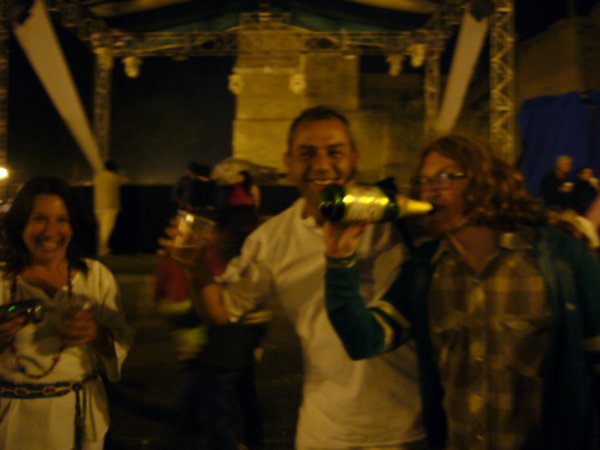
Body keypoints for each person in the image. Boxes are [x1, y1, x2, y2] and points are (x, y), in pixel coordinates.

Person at [161, 106, 426, 449]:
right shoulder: (272, 239)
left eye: (335, 152)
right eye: (307, 154)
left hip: (409, 430)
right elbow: (221, 312)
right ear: (288, 164)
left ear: (355, 157)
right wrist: (196, 269)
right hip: (323, 431)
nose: (322, 164)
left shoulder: (399, 218)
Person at [324, 133, 600, 450]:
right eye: (423, 180)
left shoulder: (560, 259)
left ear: (485, 180)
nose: (429, 190)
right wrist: (339, 258)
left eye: (445, 177)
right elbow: (364, 340)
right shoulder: (426, 272)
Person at [0, 176, 134, 449]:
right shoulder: (3, 282)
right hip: (13, 420)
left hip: (77, 416)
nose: (51, 231)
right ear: (20, 225)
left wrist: (96, 334)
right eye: (39, 218)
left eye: (62, 219)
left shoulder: (95, 277)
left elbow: (119, 341)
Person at [179, 205, 267, 450]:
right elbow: (206, 309)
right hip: (233, 352)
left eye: (216, 231)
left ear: (231, 234)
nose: (211, 237)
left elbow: (217, 314)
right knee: (241, 403)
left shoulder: (248, 269)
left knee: (219, 416)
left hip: (226, 353)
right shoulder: (235, 265)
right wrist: (192, 271)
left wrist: (197, 268)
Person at [93, 160, 127, 256]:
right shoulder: (114, 177)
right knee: (107, 228)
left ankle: (101, 248)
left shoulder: (97, 177)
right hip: (110, 206)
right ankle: (103, 249)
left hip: (98, 206)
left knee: (101, 228)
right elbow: (124, 181)